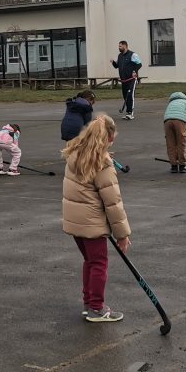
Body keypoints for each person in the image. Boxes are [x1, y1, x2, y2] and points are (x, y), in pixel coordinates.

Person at [62, 116, 130, 323]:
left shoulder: (75, 154)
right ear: (110, 138)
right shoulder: (102, 163)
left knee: (90, 262)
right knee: (99, 264)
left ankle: (89, 303)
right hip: (91, 222)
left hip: (75, 220)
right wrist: (122, 235)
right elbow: (113, 203)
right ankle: (96, 309)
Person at [162, 90, 186, 172]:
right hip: (180, 121)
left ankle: (173, 165)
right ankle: (182, 165)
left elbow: (167, 114)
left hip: (167, 122)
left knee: (171, 144)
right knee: (181, 144)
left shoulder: (171, 102)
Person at [112, 41, 142, 120]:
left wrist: (134, 71)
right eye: (119, 46)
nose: (119, 48)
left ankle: (130, 113)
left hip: (131, 79)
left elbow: (139, 64)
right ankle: (127, 113)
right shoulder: (120, 56)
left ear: (125, 46)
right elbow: (117, 66)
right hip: (123, 80)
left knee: (130, 95)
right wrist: (113, 62)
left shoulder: (133, 55)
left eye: (120, 46)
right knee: (125, 96)